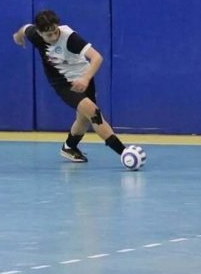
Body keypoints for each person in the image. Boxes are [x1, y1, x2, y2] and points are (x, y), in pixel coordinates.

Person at [12, 9, 127, 163]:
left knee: (84, 120)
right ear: (39, 33)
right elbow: (25, 28)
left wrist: (85, 78)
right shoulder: (35, 35)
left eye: (55, 32)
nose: (54, 37)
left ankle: (69, 147)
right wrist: (18, 36)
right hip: (63, 82)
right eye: (49, 35)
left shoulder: (70, 38)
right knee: (94, 113)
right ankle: (124, 153)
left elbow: (97, 57)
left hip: (84, 78)